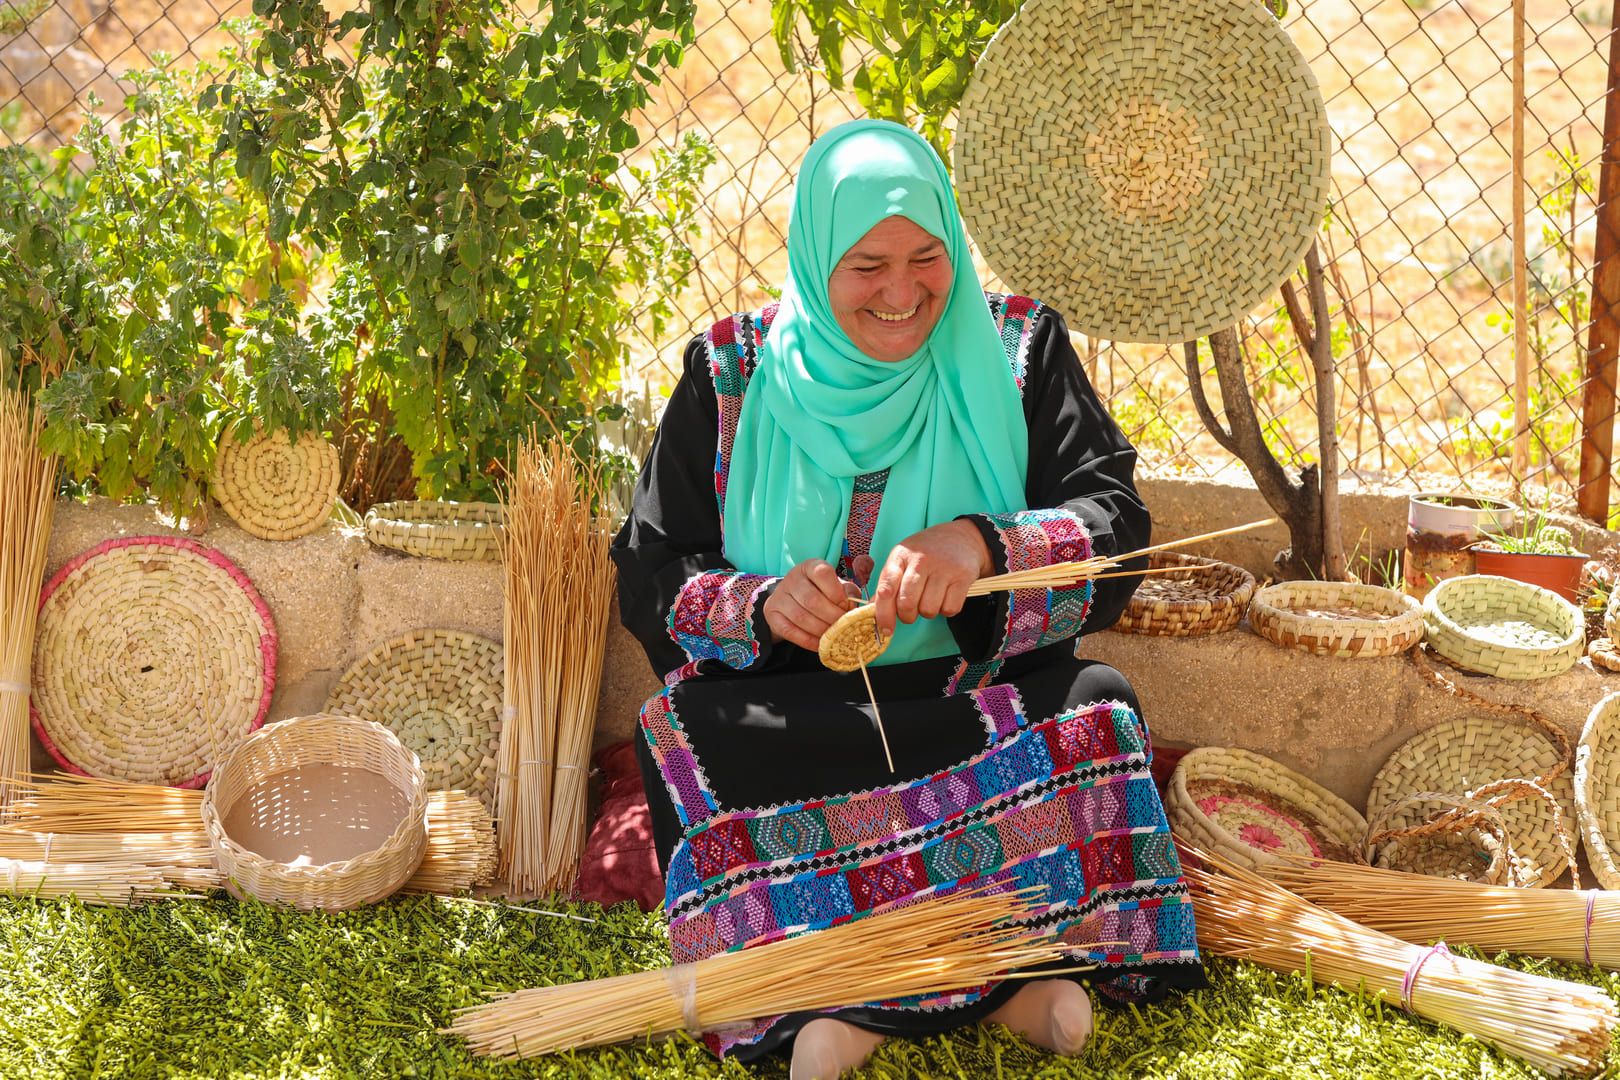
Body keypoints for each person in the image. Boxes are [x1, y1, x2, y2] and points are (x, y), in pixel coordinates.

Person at [610, 118, 1204, 1078]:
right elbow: (651, 566)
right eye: (865, 267)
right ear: (814, 260)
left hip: (972, 700)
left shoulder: (1019, 349)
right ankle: (987, 986)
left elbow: (1116, 525)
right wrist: (761, 605)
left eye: (927, 257)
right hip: (803, 715)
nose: (903, 293)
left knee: (1096, 708)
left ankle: (885, 1001)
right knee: (682, 732)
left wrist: (982, 545)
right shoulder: (730, 370)